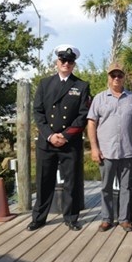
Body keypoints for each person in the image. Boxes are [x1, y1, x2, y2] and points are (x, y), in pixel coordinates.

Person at [27, 44, 91, 231]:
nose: (66, 64)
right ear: (57, 62)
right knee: (43, 181)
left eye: (70, 61)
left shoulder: (81, 86)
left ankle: (71, 217)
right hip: (47, 142)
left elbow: (83, 115)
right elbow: (38, 112)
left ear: (74, 64)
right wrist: (49, 136)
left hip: (69, 143)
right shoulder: (45, 83)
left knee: (71, 183)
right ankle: (38, 218)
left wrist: (64, 136)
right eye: (63, 60)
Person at [87, 62, 132, 233]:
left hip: (127, 151)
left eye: (120, 75)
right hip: (106, 152)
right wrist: (94, 148)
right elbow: (91, 124)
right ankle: (106, 219)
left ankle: (124, 219)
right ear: (108, 78)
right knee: (106, 187)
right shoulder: (99, 98)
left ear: (124, 77)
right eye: (113, 75)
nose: (117, 78)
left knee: (126, 188)